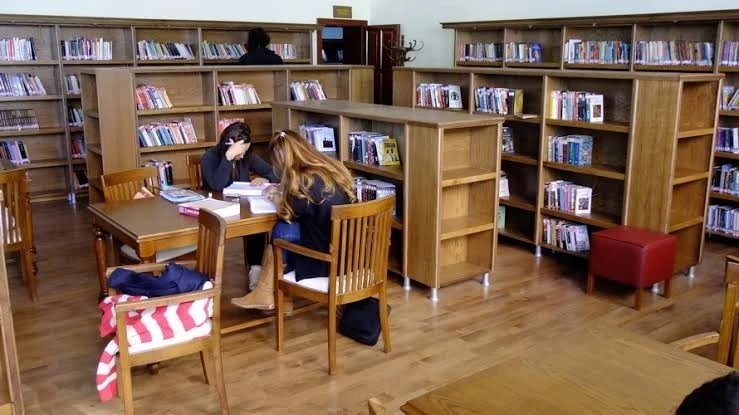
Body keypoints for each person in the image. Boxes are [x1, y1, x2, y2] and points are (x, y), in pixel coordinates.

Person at [231, 129, 356, 310]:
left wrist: (276, 197)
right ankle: (267, 290)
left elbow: (287, 212)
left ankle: (266, 291)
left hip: (326, 257)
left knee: (282, 228)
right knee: (286, 228)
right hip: (350, 251)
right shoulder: (332, 168)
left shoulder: (304, 180)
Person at [200, 121, 279, 289]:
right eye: (240, 152)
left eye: (245, 151)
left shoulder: (247, 155)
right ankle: (208, 277)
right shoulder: (209, 158)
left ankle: (255, 268)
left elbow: (275, 173)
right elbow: (217, 185)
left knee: (257, 219)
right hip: (216, 210)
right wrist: (228, 157)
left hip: (242, 208)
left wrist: (266, 178)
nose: (243, 156)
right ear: (229, 145)